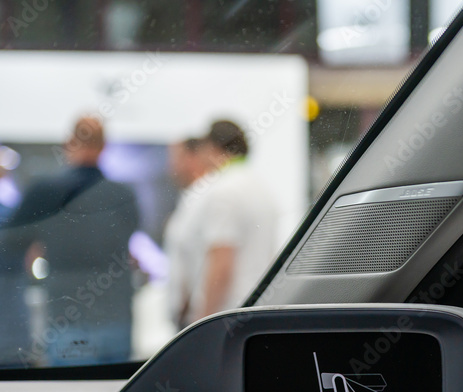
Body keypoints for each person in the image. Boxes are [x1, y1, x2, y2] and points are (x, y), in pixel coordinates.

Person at [2, 116, 139, 366]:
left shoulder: (45, 191)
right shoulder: (123, 195)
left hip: (69, 320)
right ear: (103, 146)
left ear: (69, 143)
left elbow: (9, 244)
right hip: (117, 318)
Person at [166, 120, 279, 328]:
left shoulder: (223, 191)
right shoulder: (261, 188)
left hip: (226, 313)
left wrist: (201, 325)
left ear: (211, 149)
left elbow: (222, 261)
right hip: (257, 308)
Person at [163, 138, 210, 329]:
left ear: (192, 157)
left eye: (176, 158)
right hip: (185, 317)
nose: (171, 166)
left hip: (194, 317)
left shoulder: (207, 199)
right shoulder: (189, 200)